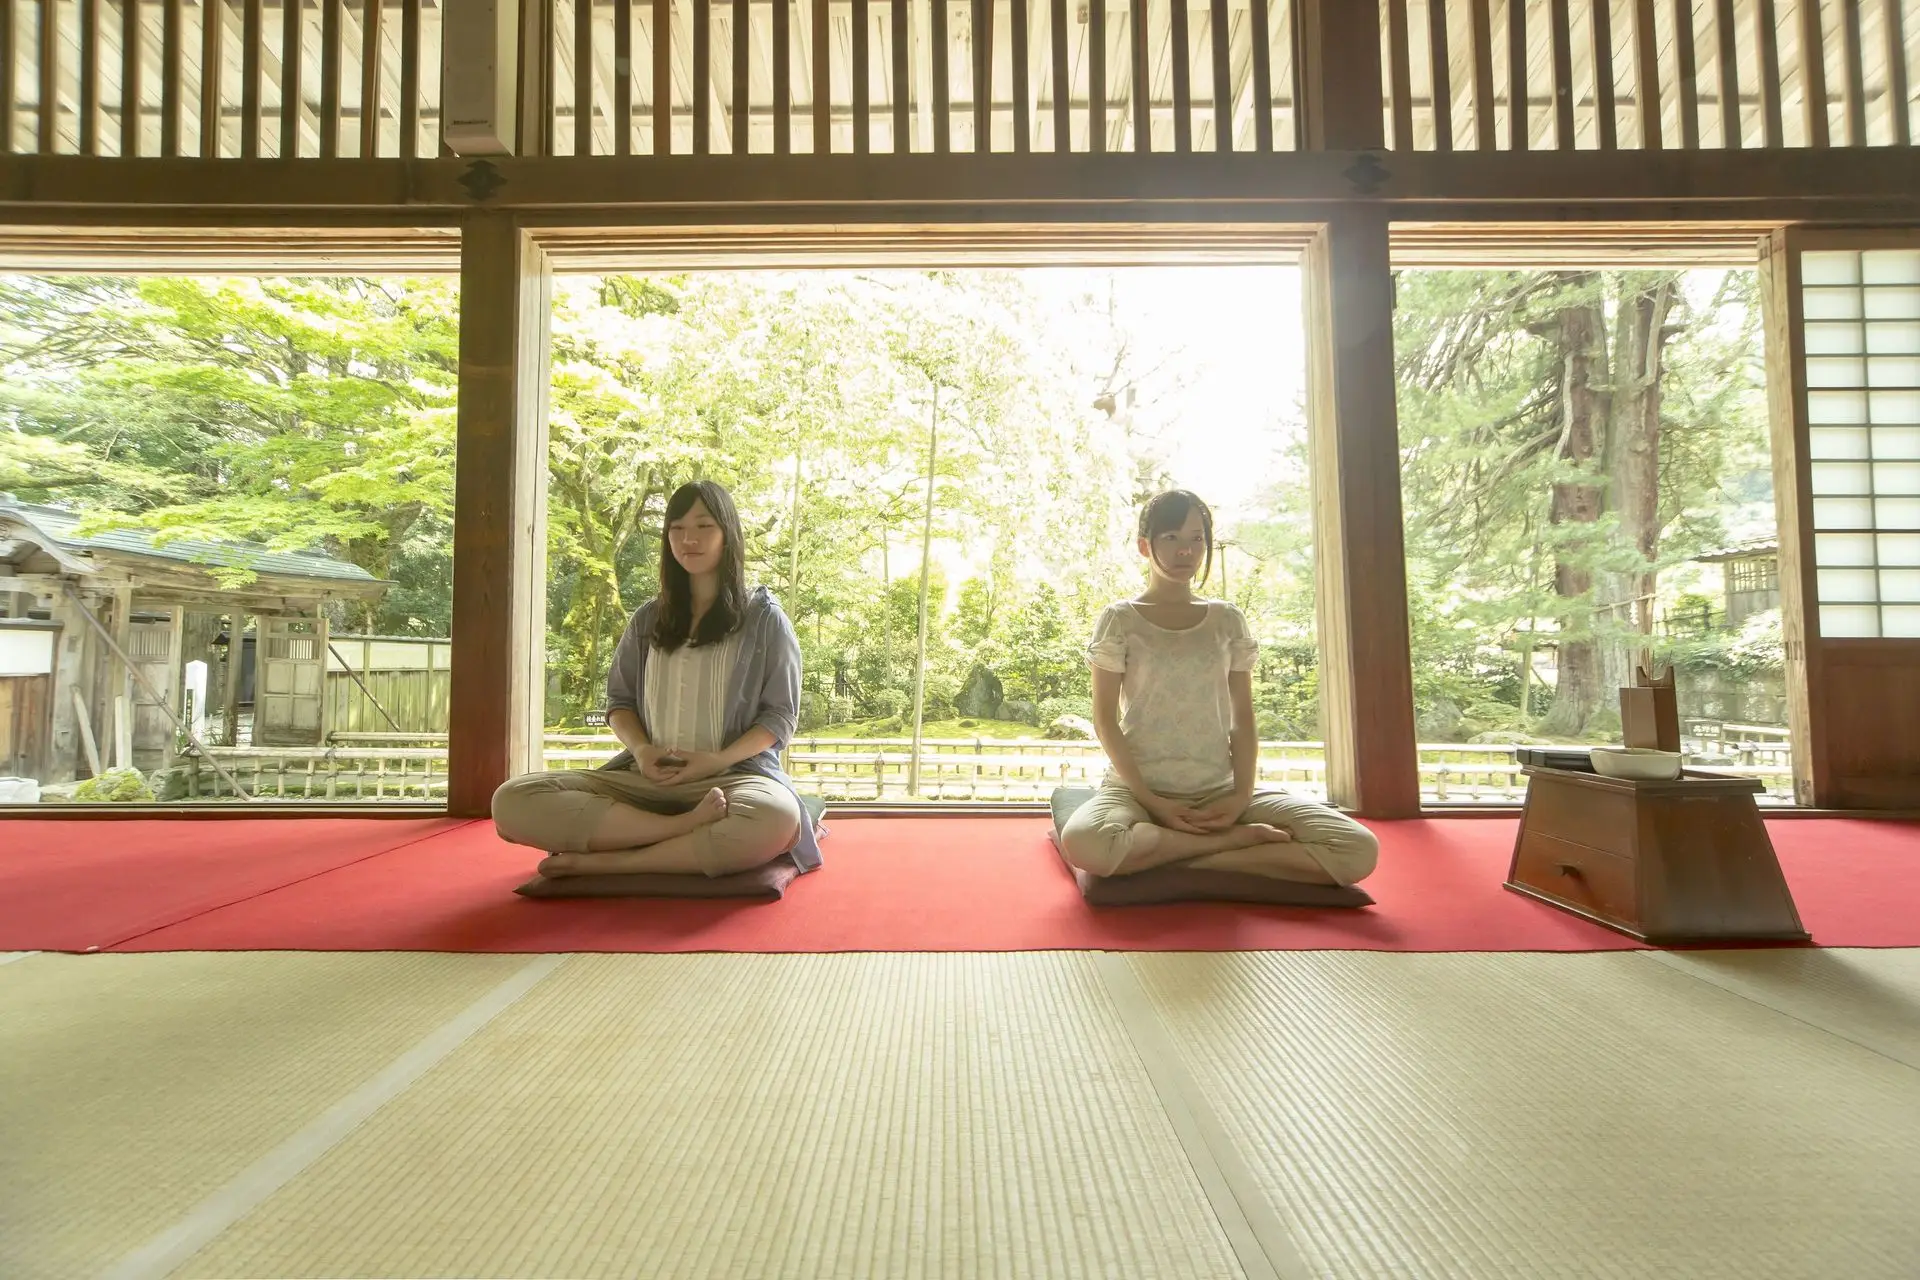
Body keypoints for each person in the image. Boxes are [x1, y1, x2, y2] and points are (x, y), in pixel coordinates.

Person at [492, 480, 819, 879]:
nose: (688, 539)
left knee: (777, 817)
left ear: (728, 535)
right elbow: (620, 701)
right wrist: (643, 752)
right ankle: (680, 829)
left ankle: (617, 861)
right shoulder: (648, 619)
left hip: (730, 781)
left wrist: (714, 762)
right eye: (677, 528)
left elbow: (779, 717)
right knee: (513, 799)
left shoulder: (765, 621)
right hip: (644, 779)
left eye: (703, 527)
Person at [1059, 489, 1378, 886]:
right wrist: (1151, 800)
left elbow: (1242, 718)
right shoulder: (1120, 619)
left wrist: (1241, 795)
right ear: (1145, 546)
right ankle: (1238, 844)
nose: (1186, 551)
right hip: (1136, 791)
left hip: (1219, 790)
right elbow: (1105, 720)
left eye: (1196, 539)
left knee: (1357, 849)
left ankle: (1180, 854)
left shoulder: (1227, 619)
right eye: (1171, 538)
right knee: (1084, 842)